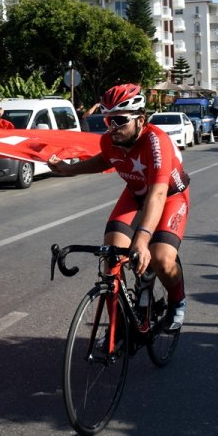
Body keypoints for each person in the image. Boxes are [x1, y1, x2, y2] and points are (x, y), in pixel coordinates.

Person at [47, 84, 190, 329]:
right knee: (112, 254)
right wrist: (68, 169)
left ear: (140, 120)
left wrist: (143, 239)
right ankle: (117, 328)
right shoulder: (110, 140)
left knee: (160, 258)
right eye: (108, 121)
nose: (113, 128)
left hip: (168, 196)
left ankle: (177, 301)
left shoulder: (157, 142)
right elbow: (104, 159)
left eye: (120, 120)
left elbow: (157, 194)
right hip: (135, 195)